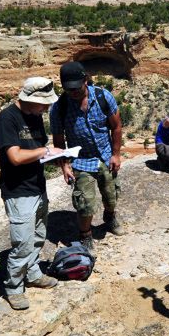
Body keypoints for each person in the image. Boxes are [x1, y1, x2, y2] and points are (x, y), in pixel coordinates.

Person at [0, 77, 63, 310]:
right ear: (29, 99)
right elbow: (15, 157)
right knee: (22, 242)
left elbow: (35, 152)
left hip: (37, 186)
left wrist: (55, 155)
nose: (46, 107)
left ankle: (33, 274)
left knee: (37, 235)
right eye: (43, 104)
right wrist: (45, 150)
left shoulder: (35, 116)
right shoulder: (7, 119)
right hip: (18, 191)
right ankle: (13, 287)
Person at [50, 61, 123, 254]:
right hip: (81, 161)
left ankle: (110, 217)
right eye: (68, 89)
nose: (73, 92)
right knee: (85, 203)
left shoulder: (103, 97)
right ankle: (85, 235)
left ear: (86, 80)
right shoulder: (59, 108)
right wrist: (65, 167)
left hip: (106, 156)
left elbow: (116, 127)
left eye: (77, 88)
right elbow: (59, 141)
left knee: (111, 195)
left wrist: (116, 154)